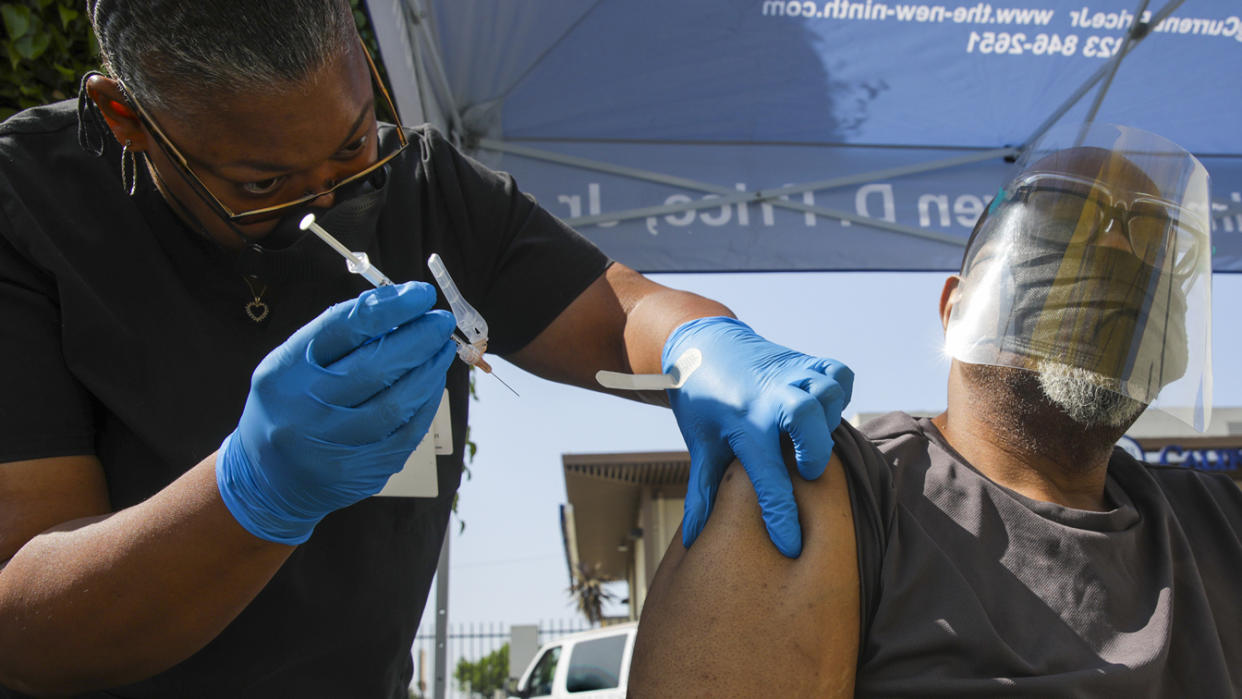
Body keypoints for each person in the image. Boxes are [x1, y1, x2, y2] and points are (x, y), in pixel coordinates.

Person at [0, 2, 854, 696]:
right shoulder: (29, 214)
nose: (329, 201)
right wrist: (254, 492)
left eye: (354, 144)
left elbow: (616, 308)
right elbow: (26, 628)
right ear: (128, 117)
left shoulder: (430, 192)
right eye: (261, 187)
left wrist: (709, 348)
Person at [629, 124, 1242, 697]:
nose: (1118, 253)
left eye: (1157, 251)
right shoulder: (831, 493)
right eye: (1059, 223)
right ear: (955, 307)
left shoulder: (1222, 522)